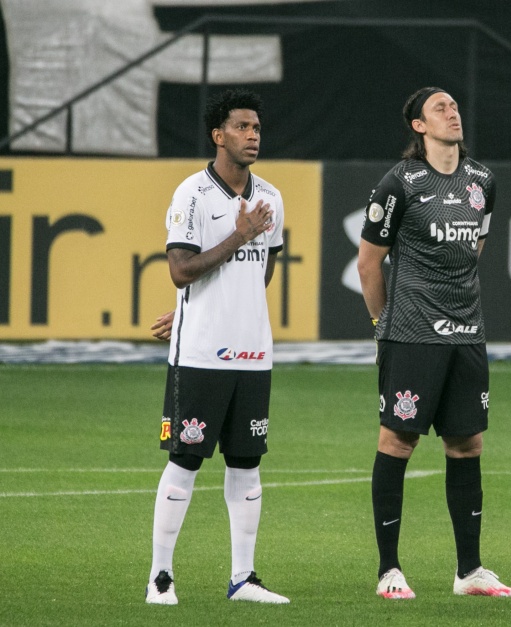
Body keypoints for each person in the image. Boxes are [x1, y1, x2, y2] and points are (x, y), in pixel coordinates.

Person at [357, 87, 511, 600]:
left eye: (453, 106)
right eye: (439, 109)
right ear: (419, 126)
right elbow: (368, 261)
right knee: (397, 442)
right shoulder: (398, 183)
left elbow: (476, 247)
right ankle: (389, 571)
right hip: (411, 335)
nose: (452, 113)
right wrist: (384, 324)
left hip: (467, 334)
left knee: (467, 443)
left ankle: (469, 572)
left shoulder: (482, 181)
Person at [145, 88, 289, 605]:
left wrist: (225, 291)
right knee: (186, 458)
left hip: (253, 352)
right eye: (242, 127)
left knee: (247, 462)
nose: (253, 135)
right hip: (201, 354)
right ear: (218, 135)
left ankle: (243, 579)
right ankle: (161, 578)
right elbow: (181, 270)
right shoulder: (193, 195)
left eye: (256, 127)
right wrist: (238, 236)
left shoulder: (271, 196)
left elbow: (263, 272)